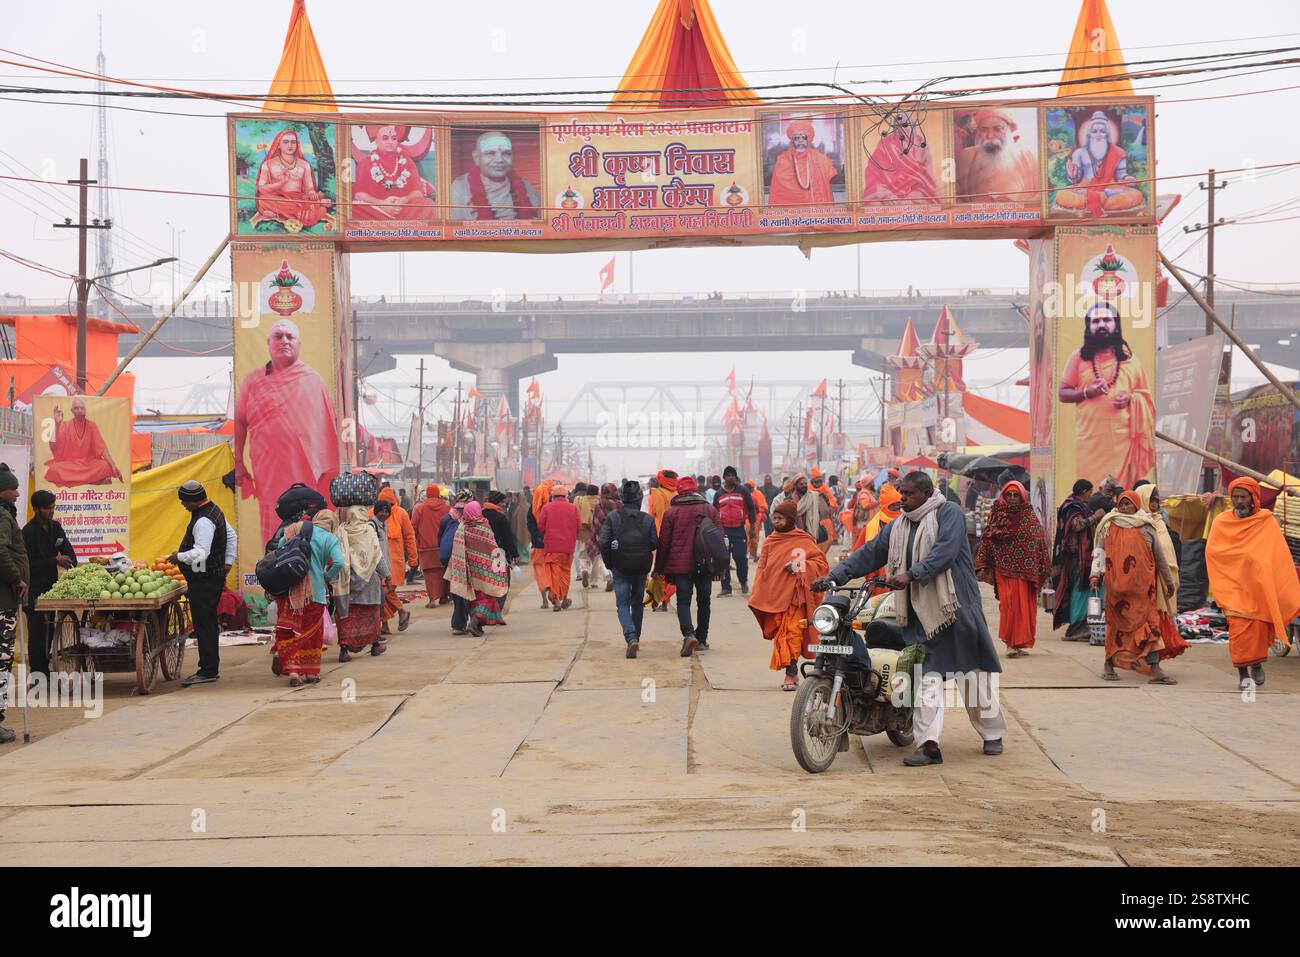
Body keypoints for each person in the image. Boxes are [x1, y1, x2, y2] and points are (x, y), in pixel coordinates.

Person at [813, 471, 1006, 767]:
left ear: (927, 494)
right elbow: (870, 553)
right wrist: (835, 576)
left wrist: (912, 574)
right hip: (920, 614)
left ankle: (992, 733)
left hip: (957, 607)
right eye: (901, 492)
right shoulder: (898, 526)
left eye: (909, 494)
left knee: (973, 676)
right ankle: (929, 745)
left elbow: (946, 551)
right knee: (926, 677)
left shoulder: (948, 513)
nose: (902, 498)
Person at [234, 319, 340, 548]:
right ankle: (273, 565)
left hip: (307, 473)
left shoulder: (314, 381)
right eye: (278, 336)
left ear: (299, 343)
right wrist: (239, 463)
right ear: (268, 343)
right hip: (268, 471)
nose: (284, 341)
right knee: (272, 519)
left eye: (289, 337)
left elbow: (329, 433)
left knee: (310, 523)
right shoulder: (252, 381)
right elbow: (240, 422)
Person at [1206, 477, 1300, 691]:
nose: (1239, 501)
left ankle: (1256, 664)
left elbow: (1278, 554)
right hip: (1233, 589)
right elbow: (1213, 552)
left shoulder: (1265, 521)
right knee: (1238, 632)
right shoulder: (1222, 522)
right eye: (1235, 497)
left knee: (1257, 632)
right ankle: (1243, 675)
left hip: (1258, 588)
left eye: (1243, 497)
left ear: (1253, 498)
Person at [1058, 301, 1154, 490]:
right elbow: (1062, 393)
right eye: (1096, 321)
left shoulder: (1130, 360)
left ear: (1116, 325)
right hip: (1091, 442)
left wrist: (1131, 399)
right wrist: (1086, 392)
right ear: (1089, 327)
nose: (1101, 324)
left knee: (1121, 496)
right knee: (1091, 494)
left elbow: (1145, 396)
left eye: (1107, 320)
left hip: (1123, 445)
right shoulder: (1078, 358)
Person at [1090, 491, 1177, 684]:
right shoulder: (1108, 525)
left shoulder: (1147, 527)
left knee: (1150, 626)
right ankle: (1108, 665)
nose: (1124, 507)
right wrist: (1095, 575)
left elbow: (1160, 558)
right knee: (1114, 627)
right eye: (1122, 504)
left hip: (1144, 590)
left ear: (1136, 505)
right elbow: (1099, 552)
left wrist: (1168, 581)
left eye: (1129, 504)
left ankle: (1155, 669)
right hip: (1116, 589)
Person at [749, 499, 829, 691]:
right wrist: (758, 590)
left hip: (796, 598)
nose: (776, 521)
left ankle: (790, 673)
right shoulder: (770, 541)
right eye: (774, 518)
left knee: (792, 632)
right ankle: (790, 669)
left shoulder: (804, 540)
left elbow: (821, 565)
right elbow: (763, 568)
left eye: (780, 518)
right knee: (780, 634)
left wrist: (799, 567)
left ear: (791, 519)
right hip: (775, 596)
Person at [169, 480, 236, 687]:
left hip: (204, 580)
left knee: (204, 625)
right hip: (211, 577)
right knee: (206, 623)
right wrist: (227, 563)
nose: (182, 505)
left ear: (193, 501)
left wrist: (178, 557)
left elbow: (201, 553)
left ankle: (207, 670)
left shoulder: (203, 521)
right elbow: (232, 536)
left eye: (184, 501)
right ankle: (209, 668)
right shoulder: (214, 510)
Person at [974, 481, 1051, 657]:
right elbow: (987, 540)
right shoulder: (997, 514)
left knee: (1026, 608)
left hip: (1027, 571)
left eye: (1016, 495)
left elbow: (1037, 539)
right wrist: (982, 563)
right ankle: (1009, 644)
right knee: (1009, 606)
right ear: (1003, 496)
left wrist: (1041, 564)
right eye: (1009, 495)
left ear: (1022, 496)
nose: (1012, 498)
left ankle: (1018, 643)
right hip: (1004, 570)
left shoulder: (1028, 515)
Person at [270, 510, 344, 687]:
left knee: (288, 630)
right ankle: (309, 673)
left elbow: (280, 546)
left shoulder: (296, 528)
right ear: (332, 524)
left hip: (289, 591)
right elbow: (340, 563)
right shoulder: (329, 539)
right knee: (311, 633)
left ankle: (293, 672)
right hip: (314, 592)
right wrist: (325, 576)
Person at [653, 476, 719, 657]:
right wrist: (720, 566)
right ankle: (702, 638)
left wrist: (658, 569)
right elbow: (719, 539)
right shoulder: (709, 509)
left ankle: (689, 634)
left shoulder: (671, 513)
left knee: (683, 601)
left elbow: (664, 544)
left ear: (678, 491)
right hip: (705, 565)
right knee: (704, 601)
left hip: (680, 567)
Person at [597, 480, 659, 658]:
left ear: (623, 499)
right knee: (637, 603)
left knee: (622, 604)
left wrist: (610, 563)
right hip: (641, 568)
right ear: (639, 499)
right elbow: (654, 543)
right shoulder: (647, 519)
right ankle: (636, 637)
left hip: (620, 567)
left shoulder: (613, 517)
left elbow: (604, 542)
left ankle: (630, 636)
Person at [21, 488, 76, 680]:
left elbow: (66, 548)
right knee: (37, 634)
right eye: (47, 508)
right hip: (34, 589)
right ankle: (38, 676)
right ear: (36, 509)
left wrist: (75, 568)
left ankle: (47, 672)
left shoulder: (55, 527)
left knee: (49, 630)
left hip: (51, 589)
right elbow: (27, 564)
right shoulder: (28, 532)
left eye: (53, 507)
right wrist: (54, 561)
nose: (52, 511)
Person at [1135, 484, 1189, 665]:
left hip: (1162, 581)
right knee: (1148, 624)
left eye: (1157, 499)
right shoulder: (1135, 523)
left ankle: (1151, 661)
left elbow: (1166, 552)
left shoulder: (1159, 522)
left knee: (1157, 622)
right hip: (1143, 582)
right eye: (1151, 499)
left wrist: (1169, 579)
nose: (1155, 502)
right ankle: (1151, 663)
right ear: (1142, 499)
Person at [1057, 111, 1144, 215]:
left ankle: (1096, 200)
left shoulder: (1118, 152)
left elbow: (1121, 175)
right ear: (1089, 133)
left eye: (1102, 131)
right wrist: (1072, 175)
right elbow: (1076, 180)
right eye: (1094, 131)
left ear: (1107, 133)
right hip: (1085, 188)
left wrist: (1127, 178)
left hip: (1110, 189)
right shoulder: (1079, 153)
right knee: (1062, 195)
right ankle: (1101, 200)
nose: (1098, 134)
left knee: (1136, 195)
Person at [447, 501, 511, 637]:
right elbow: (493, 547)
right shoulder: (484, 526)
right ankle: (475, 622)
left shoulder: (462, 527)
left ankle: (477, 624)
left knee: (474, 598)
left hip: (469, 572)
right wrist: (502, 563)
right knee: (486, 597)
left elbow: (457, 550)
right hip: (485, 570)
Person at [333, 505, 388, 662]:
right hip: (369, 581)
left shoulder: (341, 530)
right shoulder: (368, 530)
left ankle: (344, 649)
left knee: (347, 615)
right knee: (371, 613)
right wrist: (387, 575)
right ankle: (375, 645)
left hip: (347, 581)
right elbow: (377, 555)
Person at [350, 124, 435, 220]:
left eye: (394, 138)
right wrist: (381, 204)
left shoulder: (407, 161)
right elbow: (359, 194)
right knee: (354, 208)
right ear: (377, 142)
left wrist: (404, 200)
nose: (390, 142)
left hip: (404, 208)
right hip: (377, 210)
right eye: (385, 138)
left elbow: (418, 191)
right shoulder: (366, 163)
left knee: (428, 205)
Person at [449, 131, 541, 220]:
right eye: (491, 153)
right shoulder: (460, 187)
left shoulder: (524, 186)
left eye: (506, 153)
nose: (500, 160)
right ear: (477, 158)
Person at [254, 127, 333, 229]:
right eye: (285, 142)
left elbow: (309, 190)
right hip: (280, 200)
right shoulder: (268, 164)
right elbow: (261, 189)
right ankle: (303, 213)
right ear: (278, 145)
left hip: (300, 199)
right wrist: (281, 183)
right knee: (263, 200)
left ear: (297, 145)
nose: (290, 145)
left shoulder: (304, 165)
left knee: (319, 207)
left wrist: (315, 197)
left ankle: (287, 214)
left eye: (293, 142)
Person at [955, 107, 1039, 203]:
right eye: (984, 129)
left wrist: (1015, 206)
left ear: (1010, 129)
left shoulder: (1028, 155)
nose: (990, 136)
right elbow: (956, 198)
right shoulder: (966, 157)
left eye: (997, 129)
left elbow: (1043, 196)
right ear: (978, 131)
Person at [0, 465, 28, 743]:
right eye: (12, 488)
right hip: (4, 601)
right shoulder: (2, 516)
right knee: (2, 660)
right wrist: (17, 577)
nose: (17, 493)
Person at [1051, 479, 1099, 640]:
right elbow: (1077, 525)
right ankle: (1075, 628)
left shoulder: (1079, 505)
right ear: (1084, 491)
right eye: (1090, 492)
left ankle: (1084, 625)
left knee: (1085, 589)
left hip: (1084, 556)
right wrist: (1095, 517)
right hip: (1075, 558)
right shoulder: (1071, 506)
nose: (1091, 496)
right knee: (1079, 589)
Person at [862, 110, 940, 204]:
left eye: (907, 125)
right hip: (888, 193)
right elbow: (873, 176)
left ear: (913, 128)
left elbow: (927, 177)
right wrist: (885, 194)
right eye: (899, 126)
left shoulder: (921, 144)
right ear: (894, 128)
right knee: (874, 203)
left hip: (916, 193)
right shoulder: (885, 144)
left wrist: (913, 195)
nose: (903, 129)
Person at [43, 398, 123, 487]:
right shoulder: (65, 425)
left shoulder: (92, 425)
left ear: (85, 410)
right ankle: (94, 480)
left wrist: (112, 464)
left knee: (105, 465)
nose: (79, 411)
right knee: (54, 470)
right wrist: (57, 424)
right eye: (76, 408)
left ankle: (76, 480)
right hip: (71, 464)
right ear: (72, 410)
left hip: (89, 463)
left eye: (82, 408)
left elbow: (101, 447)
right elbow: (54, 446)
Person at [372, 488, 417, 634]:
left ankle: (401, 612)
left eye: (390, 506)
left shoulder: (401, 513)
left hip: (395, 563)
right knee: (381, 593)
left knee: (386, 591)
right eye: (383, 507)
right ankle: (388, 622)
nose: (386, 512)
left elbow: (409, 536)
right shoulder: (372, 514)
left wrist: (413, 558)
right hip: (378, 561)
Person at [768, 119, 838, 206]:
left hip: (815, 212)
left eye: (804, 137)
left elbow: (830, 183)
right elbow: (778, 193)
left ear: (808, 140)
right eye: (797, 138)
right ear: (792, 140)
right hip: (791, 213)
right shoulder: (783, 161)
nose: (800, 141)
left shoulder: (821, 159)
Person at [715, 467, 755, 597]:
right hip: (724, 531)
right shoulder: (719, 494)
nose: (731, 477)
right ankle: (726, 588)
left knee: (740, 558)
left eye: (733, 475)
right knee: (723, 560)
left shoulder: (743, 490)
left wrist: (753, 527)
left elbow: (751, 508)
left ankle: (743, 581)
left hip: (739, 530)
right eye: (728, 475)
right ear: (724, 478)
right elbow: (714, 513)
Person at [538, 485, 579, 612]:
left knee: (554, 574)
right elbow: (578, 526)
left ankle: (556, 600)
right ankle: (564, 597)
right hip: (568, 547)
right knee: (565, 573)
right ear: (565, 496)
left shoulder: (547, 507)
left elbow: (541, 527)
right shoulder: (573, 508)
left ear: (553, 496)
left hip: (552, 547)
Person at [412, 484, 451, 607]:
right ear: (438, 494)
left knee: (429, 574)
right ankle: (444, 596)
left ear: (427, 494)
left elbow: (413, 527)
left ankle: (432, 599)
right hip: (444, 547)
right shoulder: (447, 508)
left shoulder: (419, 509)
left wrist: (417, 542)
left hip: (426, 547)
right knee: (444, 572)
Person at [647, 470, 679, 612]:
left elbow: (653, 515)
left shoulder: (656, 494)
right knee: (676, 569)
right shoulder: (679, 493)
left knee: (661, 570)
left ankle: (662, 599)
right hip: (678, 536)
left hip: (661, 536)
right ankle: (664, 599)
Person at [770, 473, 826, 545]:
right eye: (801, 484)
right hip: (790, 533)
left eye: (805, 483)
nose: (804, 486)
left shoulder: (812, 497)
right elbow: (774, 514)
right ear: (795, 485)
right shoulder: (785, 498)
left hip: (808, 533)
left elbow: (819, 513)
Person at [587, 482, 621, 593]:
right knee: (616, 557)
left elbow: (598, 520)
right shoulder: (619, 503)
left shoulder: (600, 504)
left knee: (602, 556)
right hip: (617, 534)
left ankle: (608, 576)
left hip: (603, 534)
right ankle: (615, 578)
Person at [528, 480, 553, 608]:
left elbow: (531, 525)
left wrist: (538, 537)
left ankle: (544, 601)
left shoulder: (532, 508)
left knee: (540, 571)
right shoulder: (552, 506)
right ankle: (554, 594)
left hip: (538, 545)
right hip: (552, 545)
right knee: (551, 570)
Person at [573, 483, 601, 588]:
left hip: (583, 532)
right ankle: (593, 582)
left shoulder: (580, 500)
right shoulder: (599, 501)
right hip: (596, 533)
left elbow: (576, 515)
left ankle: (584, 570)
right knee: (596, 557)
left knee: (582, 554)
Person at [809, 469, 838, 553]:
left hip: (825, 519)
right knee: (816, 541)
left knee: (829, 539)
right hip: (812, 521)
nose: (819, 483)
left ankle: (821, 556)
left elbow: (833, 501)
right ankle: (818, 558)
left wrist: (830, 509)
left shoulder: (825, 488)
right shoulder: (807, 490)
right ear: (812, 481)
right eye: (816, 480)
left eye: (820, 480)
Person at [745, 479, 768, 561]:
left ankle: (751, 554)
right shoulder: (751, 497)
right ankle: (752, 555)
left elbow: (763, 507)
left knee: (751, 538)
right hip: (750, 520)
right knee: (752, 538)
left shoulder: (758, 494)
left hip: (753, 520)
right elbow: (757, 509)